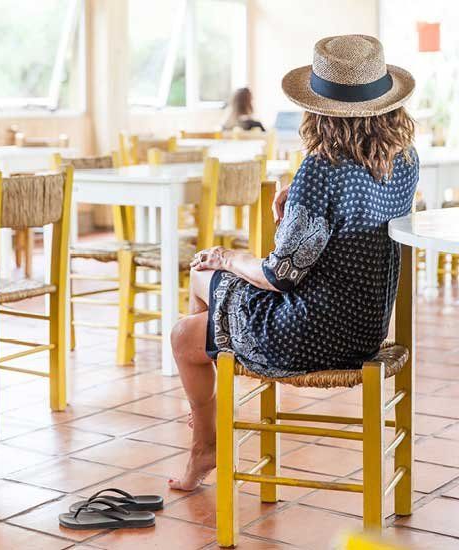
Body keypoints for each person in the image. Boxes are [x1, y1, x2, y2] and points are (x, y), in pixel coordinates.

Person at [167, 34, 418, 491]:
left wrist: (228, 255)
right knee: (202, 287)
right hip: (365, 328)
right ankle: (208, 417)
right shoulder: (405, 160)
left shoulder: (321, 169)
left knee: (194, 301)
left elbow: (280, 276)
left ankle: (205, 440)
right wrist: (294, 210)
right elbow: (343, 230)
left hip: (309, 335)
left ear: (318, 106)